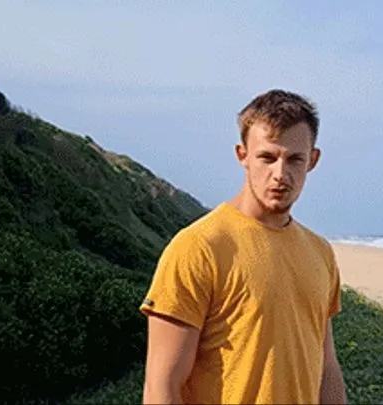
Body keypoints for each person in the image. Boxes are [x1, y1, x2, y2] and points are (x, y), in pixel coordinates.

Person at [139, 89, 347, 404]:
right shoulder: (198, 247)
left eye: (295, 159)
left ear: (313, 160)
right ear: (242, 155)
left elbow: (326, 366)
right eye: (267, 157)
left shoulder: (320, 253)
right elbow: (161, 387)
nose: (280, 174)